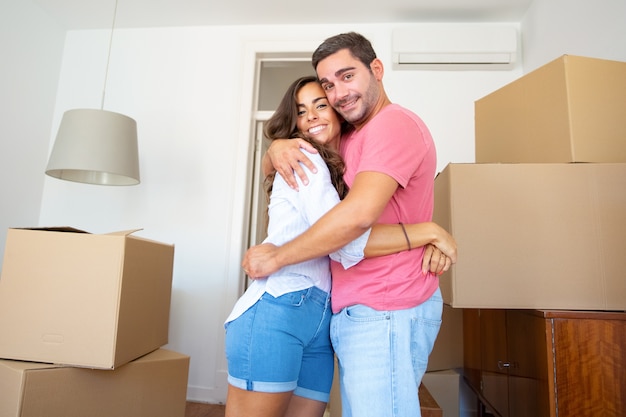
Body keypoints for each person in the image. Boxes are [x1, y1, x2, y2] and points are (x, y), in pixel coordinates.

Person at [242, 32, 451, 417]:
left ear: (376, 69)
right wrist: (276, 148)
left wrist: (276, 258)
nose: (339, 93)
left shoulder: (392, 125)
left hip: (387, 304)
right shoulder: (351, 137)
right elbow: (302, 177)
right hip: (358, 307)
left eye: (347, 76)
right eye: (328, 84)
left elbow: (354, 219)